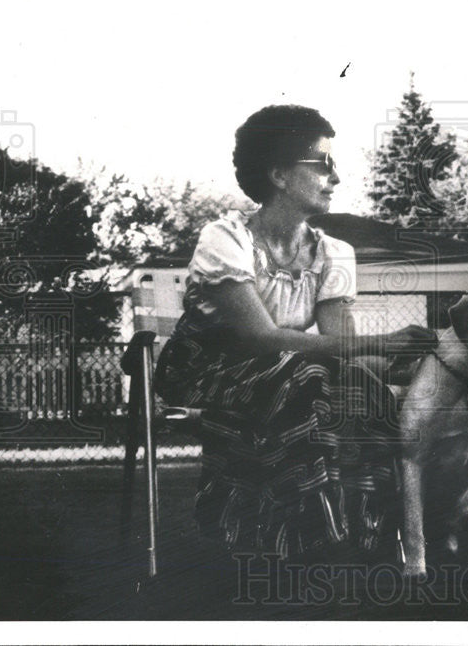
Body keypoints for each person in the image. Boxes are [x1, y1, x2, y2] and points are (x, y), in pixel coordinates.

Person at [154, 104, 437, 560]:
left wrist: (421, 358)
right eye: (322, 164)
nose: (336, 177)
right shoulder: (226, 239)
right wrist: (382, 341)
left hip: (290, 371)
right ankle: (308, 537)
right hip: (205, 367)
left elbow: (346, 351)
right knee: (306, 377)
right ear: (280, 175)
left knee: (360, 386)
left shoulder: (333, 253)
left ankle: (368, 536)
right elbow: (259, 339)